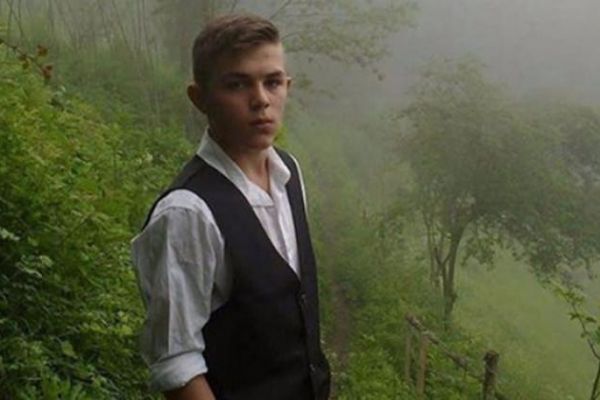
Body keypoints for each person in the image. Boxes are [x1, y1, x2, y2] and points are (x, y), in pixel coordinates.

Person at [131, 14, 331, 400]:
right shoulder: (188, 213)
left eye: (272, 82)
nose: (261, 100)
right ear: (199, 98)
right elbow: (177, 365)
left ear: (287, 86)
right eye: (237, 84)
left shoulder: (290, 174)